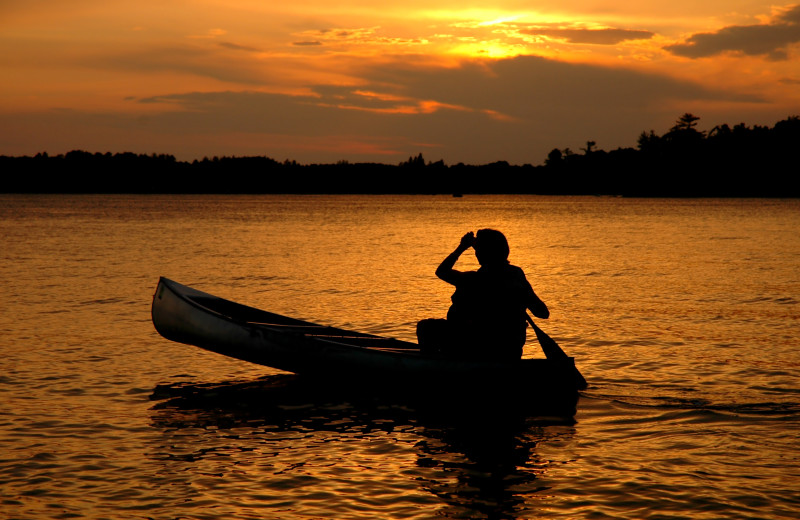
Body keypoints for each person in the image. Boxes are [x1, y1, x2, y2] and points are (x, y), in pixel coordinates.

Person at [417, 229, 549, 361]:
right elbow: (543, 313)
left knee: (425, 327)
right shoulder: (517, 275)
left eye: (477, 250)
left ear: (484, 253)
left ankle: (436, 364)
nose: (476, 254)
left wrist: (462, 247)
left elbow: (441, 271)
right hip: (510, 349)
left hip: (478, 349)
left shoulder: (473, 279)